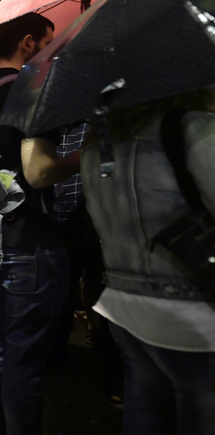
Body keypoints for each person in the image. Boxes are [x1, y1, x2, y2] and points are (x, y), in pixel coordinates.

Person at [0, 12, 77, 435]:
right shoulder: (29, 88)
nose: (54, 47)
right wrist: (83, 154)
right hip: (26, 236)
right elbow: (39, 172)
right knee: (24, 358)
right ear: (28, 43)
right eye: (49, 40)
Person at [80, 89, 215, 435]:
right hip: (191, 315)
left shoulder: (98, 145)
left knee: (145, 412)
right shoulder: (194, 129)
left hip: (124, 308)